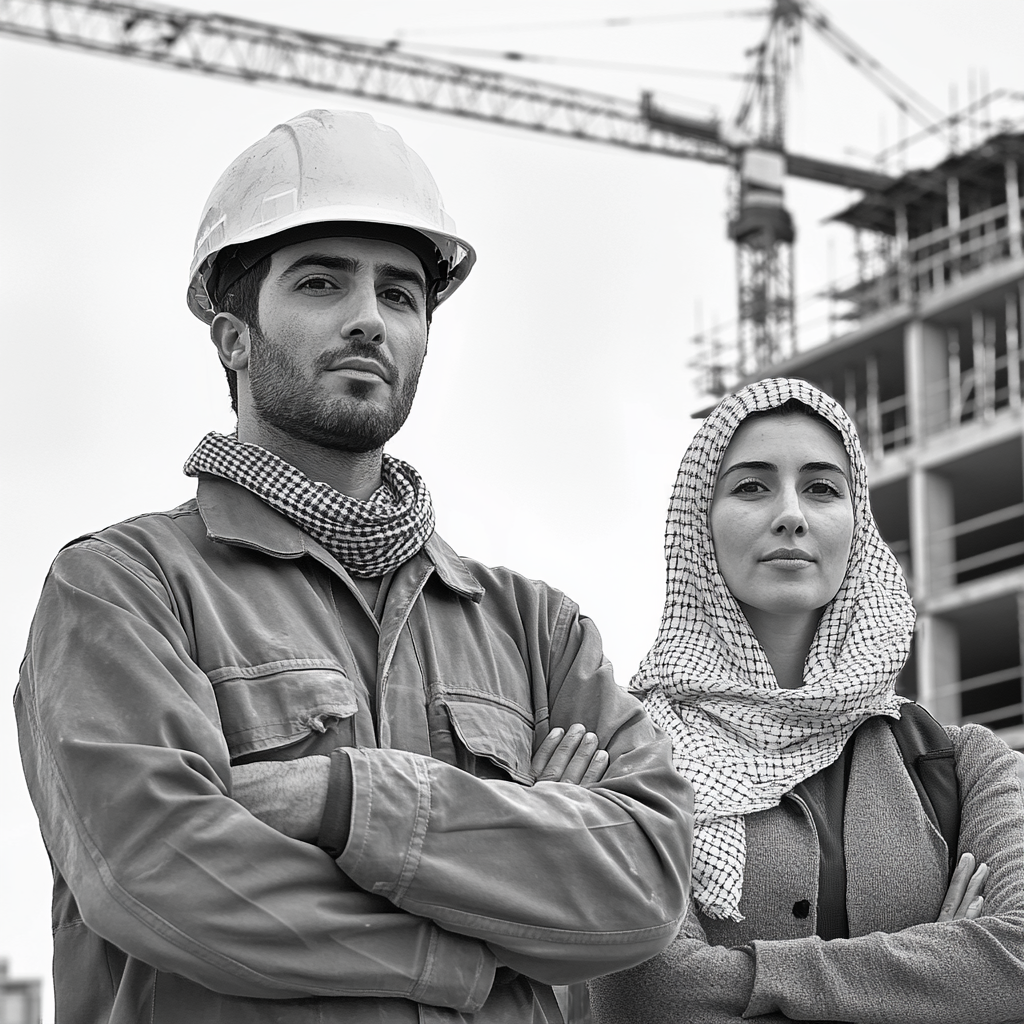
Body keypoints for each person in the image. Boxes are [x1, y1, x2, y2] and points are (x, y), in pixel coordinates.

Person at [15, 109, 692, 1024]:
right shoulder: (124, 588)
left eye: (401, 294)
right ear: (233, 338)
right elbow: (154, 872)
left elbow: (644, 888)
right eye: (322, 283)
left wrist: (341, 798)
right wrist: (478, 936)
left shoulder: (539, 631)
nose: (369, 319)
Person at [589, 377, 1024, 1024]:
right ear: (698, 527)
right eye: (752, 486)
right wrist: (937, 976)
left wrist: (740, 982)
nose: (791, 513)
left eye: (822, 487)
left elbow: (1014, 967)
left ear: (858, 524)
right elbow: (651, 995)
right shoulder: (625, 751)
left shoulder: (959, 765)